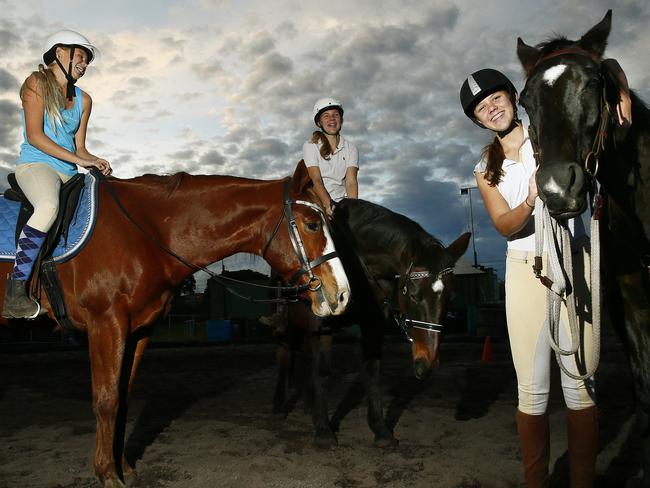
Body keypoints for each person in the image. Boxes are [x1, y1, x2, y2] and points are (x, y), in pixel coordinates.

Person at [460, 68, 631, 487]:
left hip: (576, 259)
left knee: (580, 387)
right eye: (482, 109)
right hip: (526, 270)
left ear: (514, 97)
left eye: (496, 98)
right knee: (532, 392)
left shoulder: (554, 134)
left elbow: (607, 102)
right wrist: (533, 198)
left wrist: (619, 86)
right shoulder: (485, 168)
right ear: (479, 121)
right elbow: (503, 224)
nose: (492, 108)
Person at [2, 29, 112, 320]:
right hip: (37, 166)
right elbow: (36, 136)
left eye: (87, 60)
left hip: (68, 171)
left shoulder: (85, 99)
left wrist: (94, 160)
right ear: (59, 52)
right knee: (48, 206)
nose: (84, 64)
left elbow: (80, 147)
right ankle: (15, 291)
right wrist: (78, 159)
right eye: (80, 56)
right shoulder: (35, 83)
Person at [303, 97, 359, 218]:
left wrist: (354, 210)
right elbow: (316, 179)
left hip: (341, 205)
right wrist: (328, 205)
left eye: (336, 115)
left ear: (341, 119)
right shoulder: (311, 145)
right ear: (319, 123)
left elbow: (351, 182)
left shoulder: (351, 148)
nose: (332, 119)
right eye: (326, 116)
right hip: (317, 203)